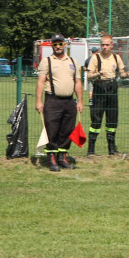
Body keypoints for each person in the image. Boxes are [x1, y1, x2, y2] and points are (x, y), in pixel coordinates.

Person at [35, 33, 83, 172]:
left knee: (67, 130)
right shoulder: (47, 61)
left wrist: (80, 101)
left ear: (64, 44)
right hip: (52, 100)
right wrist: (39, 101)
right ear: (52, 45)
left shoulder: (73, 61)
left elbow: (78, 82)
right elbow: (41, 82)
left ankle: (63, 157)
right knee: (52, 130)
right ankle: (52, 158)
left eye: (60, 43)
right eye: (55, 44)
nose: (58, 46)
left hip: (69, 102)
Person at [86, 34, 129, 156]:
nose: (104, 47)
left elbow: (122, 74)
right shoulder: (95, 58)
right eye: (102, 44)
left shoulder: (116, 58)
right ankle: (91, 150)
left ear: (112, 45)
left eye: (107, 45)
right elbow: (88, 76)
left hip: (112, 87)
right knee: (96, 120)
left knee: (112, 119)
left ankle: (112, 149)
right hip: (99, 87)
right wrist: (98, 74)